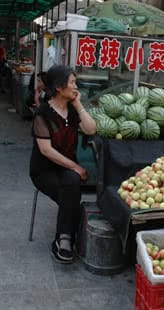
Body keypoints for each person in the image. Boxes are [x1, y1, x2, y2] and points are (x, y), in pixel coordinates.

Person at [29, 65, 96, 264]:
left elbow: (91, 129)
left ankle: (63, 239)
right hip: (43, 170)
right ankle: (67, 237)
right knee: (72, 190)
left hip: (66, 168)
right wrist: (76, 166)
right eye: (72, 83)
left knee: (72, 184)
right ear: (59, 87)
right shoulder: (43, 113)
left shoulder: (73, 111)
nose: (76, 86)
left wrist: (78, 105)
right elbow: (46, 150)